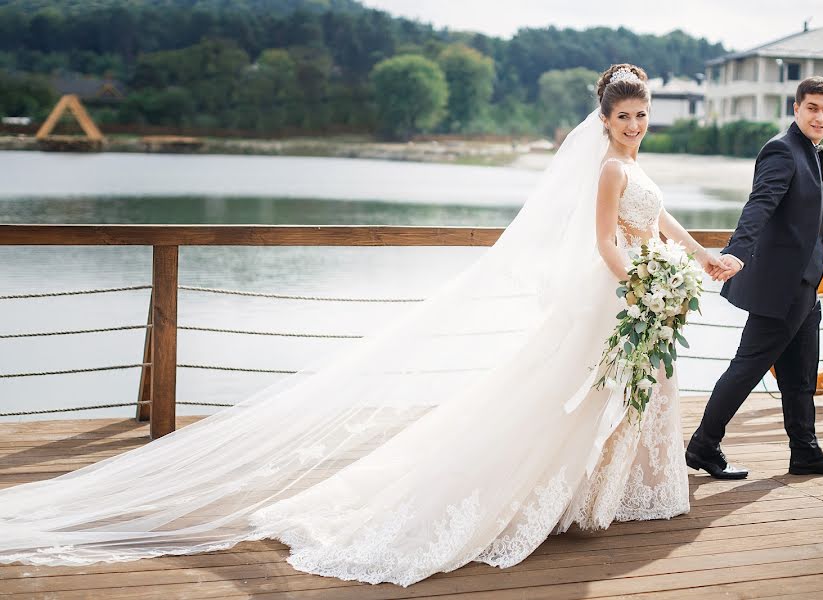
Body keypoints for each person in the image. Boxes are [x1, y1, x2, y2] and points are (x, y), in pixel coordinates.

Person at [0, 64, 722, 587]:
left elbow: (654, 219)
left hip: (639, 297)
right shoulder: (605, 170)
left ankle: (626, 492)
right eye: (624, 117)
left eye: (642, 114)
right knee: (573, 396)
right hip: (620, 296)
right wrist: (639, 287)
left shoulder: (637, 165)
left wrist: (698, 258)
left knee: (630, 393)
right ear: (604, 121)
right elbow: (606, 241)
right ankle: (555, 495)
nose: (634, 124)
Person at [687, 76, 823, 479]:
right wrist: (738, 253)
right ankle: (703, 446)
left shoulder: (813, 151)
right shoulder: (782, 150)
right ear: (796, 109)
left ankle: (805, 451)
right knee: (747, 367)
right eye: (812, 107)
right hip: (781, 288)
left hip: (805, 284)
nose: (820, 116)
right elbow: (759, 205)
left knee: (800, 375)